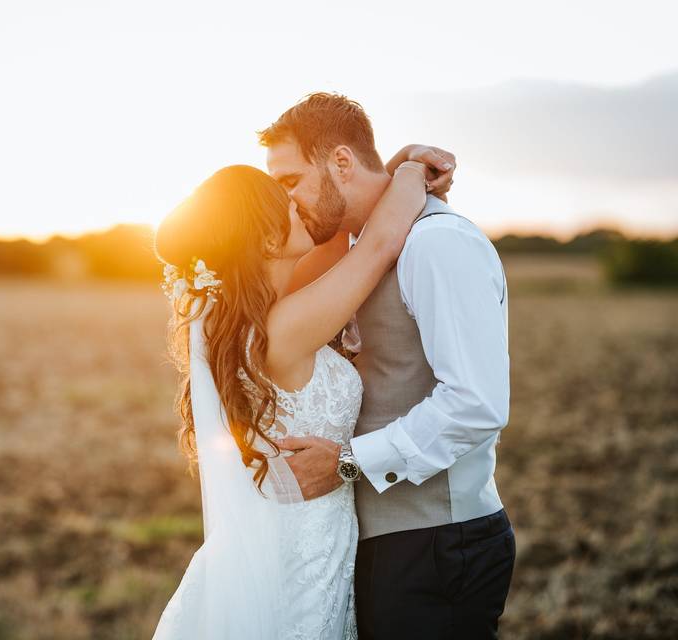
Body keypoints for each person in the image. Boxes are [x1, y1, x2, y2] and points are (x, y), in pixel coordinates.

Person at [151, 137, 454, 638]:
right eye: (288, 205)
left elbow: (354, 241)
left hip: (297, 539)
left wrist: (383, 171)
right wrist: (411, 171)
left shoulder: (263, 319)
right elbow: (379, 245)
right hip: (299, 556)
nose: (302, 207)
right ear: (267, 240)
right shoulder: (281, 330)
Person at [261, 92, 515, 639]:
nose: (285, 203)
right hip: (371, 544)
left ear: (342, 162)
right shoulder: (359, 249)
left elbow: (476, 403)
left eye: (289, 182)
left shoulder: (438, 244)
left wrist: (348, 463)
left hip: (437, 544)